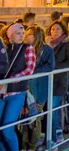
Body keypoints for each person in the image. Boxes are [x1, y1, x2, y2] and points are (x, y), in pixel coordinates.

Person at [0, 23, 36, 151]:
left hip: (17, 93)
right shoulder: (4, 48)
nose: (21, 36)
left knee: (7, 129)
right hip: (2, 93)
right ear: (10, 36)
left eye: (22, 33)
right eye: (18, 33)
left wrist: (10, 80)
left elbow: (30, 69)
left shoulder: (28, 48)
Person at [22, 25, 55, 149]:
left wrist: (33, 71)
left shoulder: (47, 50)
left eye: (29, 34)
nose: (26, 36)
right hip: (26, 87)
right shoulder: (24, 48)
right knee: (25, 116)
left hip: (39, 87)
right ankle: (25, 143)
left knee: (35, 116)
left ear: (36, 36)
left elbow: (50, 66)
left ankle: (33, 143)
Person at [45, 20, 69, 143]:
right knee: (48, 108)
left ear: (63, 30)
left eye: (57, 29)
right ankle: (49, 134)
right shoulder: (46, 43)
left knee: (54, 107)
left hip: (59, 80)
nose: (54, 31)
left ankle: (56, 134)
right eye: (52, 29)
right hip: (46, 80)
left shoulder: (67, 43)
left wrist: (53, 67)